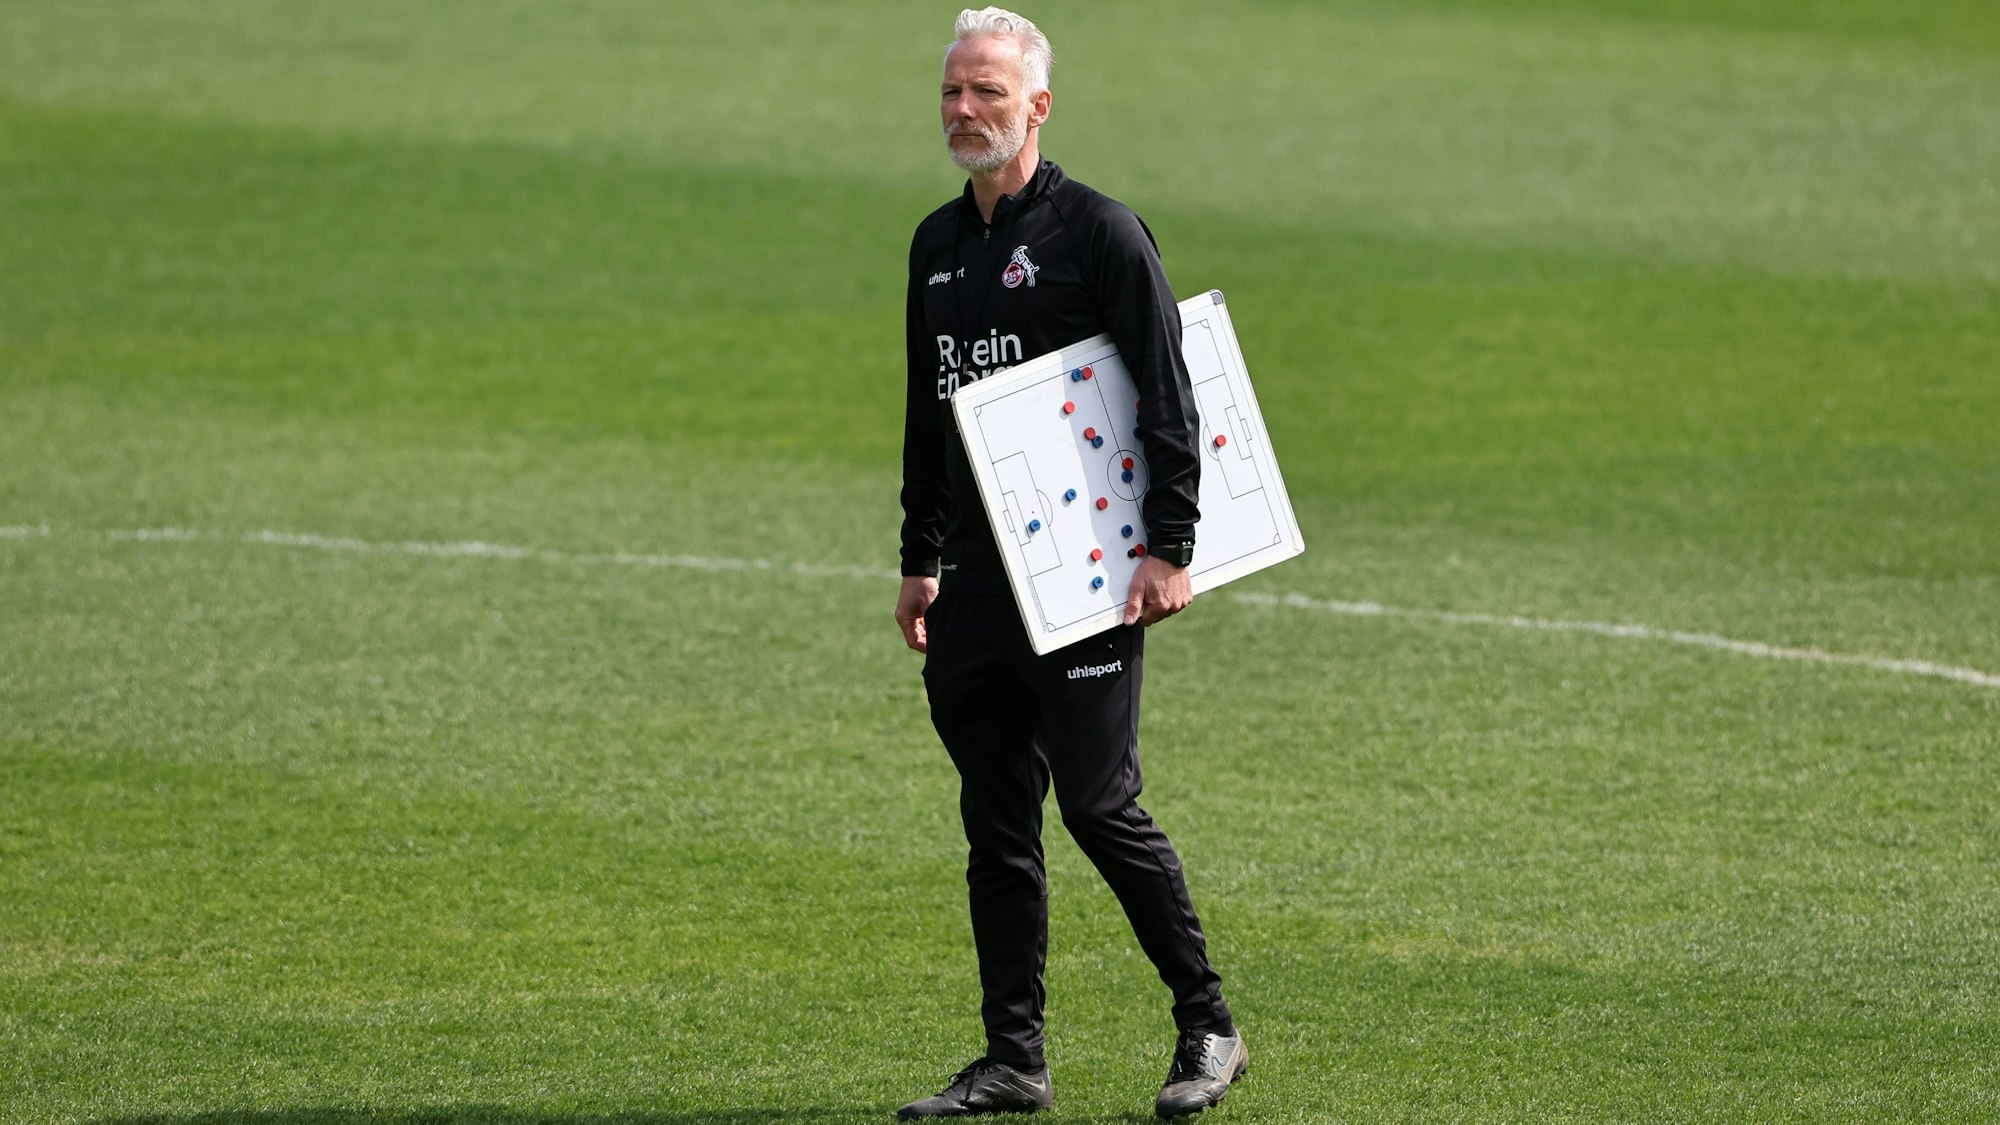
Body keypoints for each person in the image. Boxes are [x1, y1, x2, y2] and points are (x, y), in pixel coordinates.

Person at [893, 8, 1248, 1119]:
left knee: (1096, 806)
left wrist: (1170, 547)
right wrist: (918, 556)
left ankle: (1209, 1024)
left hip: (1089, 575)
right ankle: (1013, 1061)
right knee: (994, 821)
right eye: (953, 91)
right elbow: (928, 409)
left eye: (986, 92)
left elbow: (1163, 388)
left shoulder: (1098, 232)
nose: (964, 111)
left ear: (1035, 106)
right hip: (976, 582)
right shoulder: (935, 246)